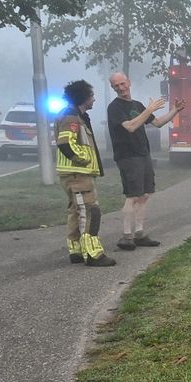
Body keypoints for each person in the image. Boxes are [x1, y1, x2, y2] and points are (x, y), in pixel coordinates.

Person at [106, 72, 184, 251]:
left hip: (143, 153)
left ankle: (140, 234)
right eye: (116, 86)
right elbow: (131, 126)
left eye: (122, 83)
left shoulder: (137, 105)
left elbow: (157, 123)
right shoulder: (114, 108)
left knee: (145, 195)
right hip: (127, 156)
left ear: (129, 82)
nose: (120, 87)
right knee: (132, 195)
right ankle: (126, 236)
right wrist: (149, 109)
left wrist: (175, 111)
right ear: (113, 88)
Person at [55, 80, 114, 266]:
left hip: (73, 174)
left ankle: (76, 250)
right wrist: (83, 158)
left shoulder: (74, 115)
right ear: (83, 97)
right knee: (90, 212)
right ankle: (93, 253)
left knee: (76, 210)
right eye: (91, 96)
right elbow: (65, 143)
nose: (94, 99)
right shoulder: (72, 118)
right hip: (77, 174)